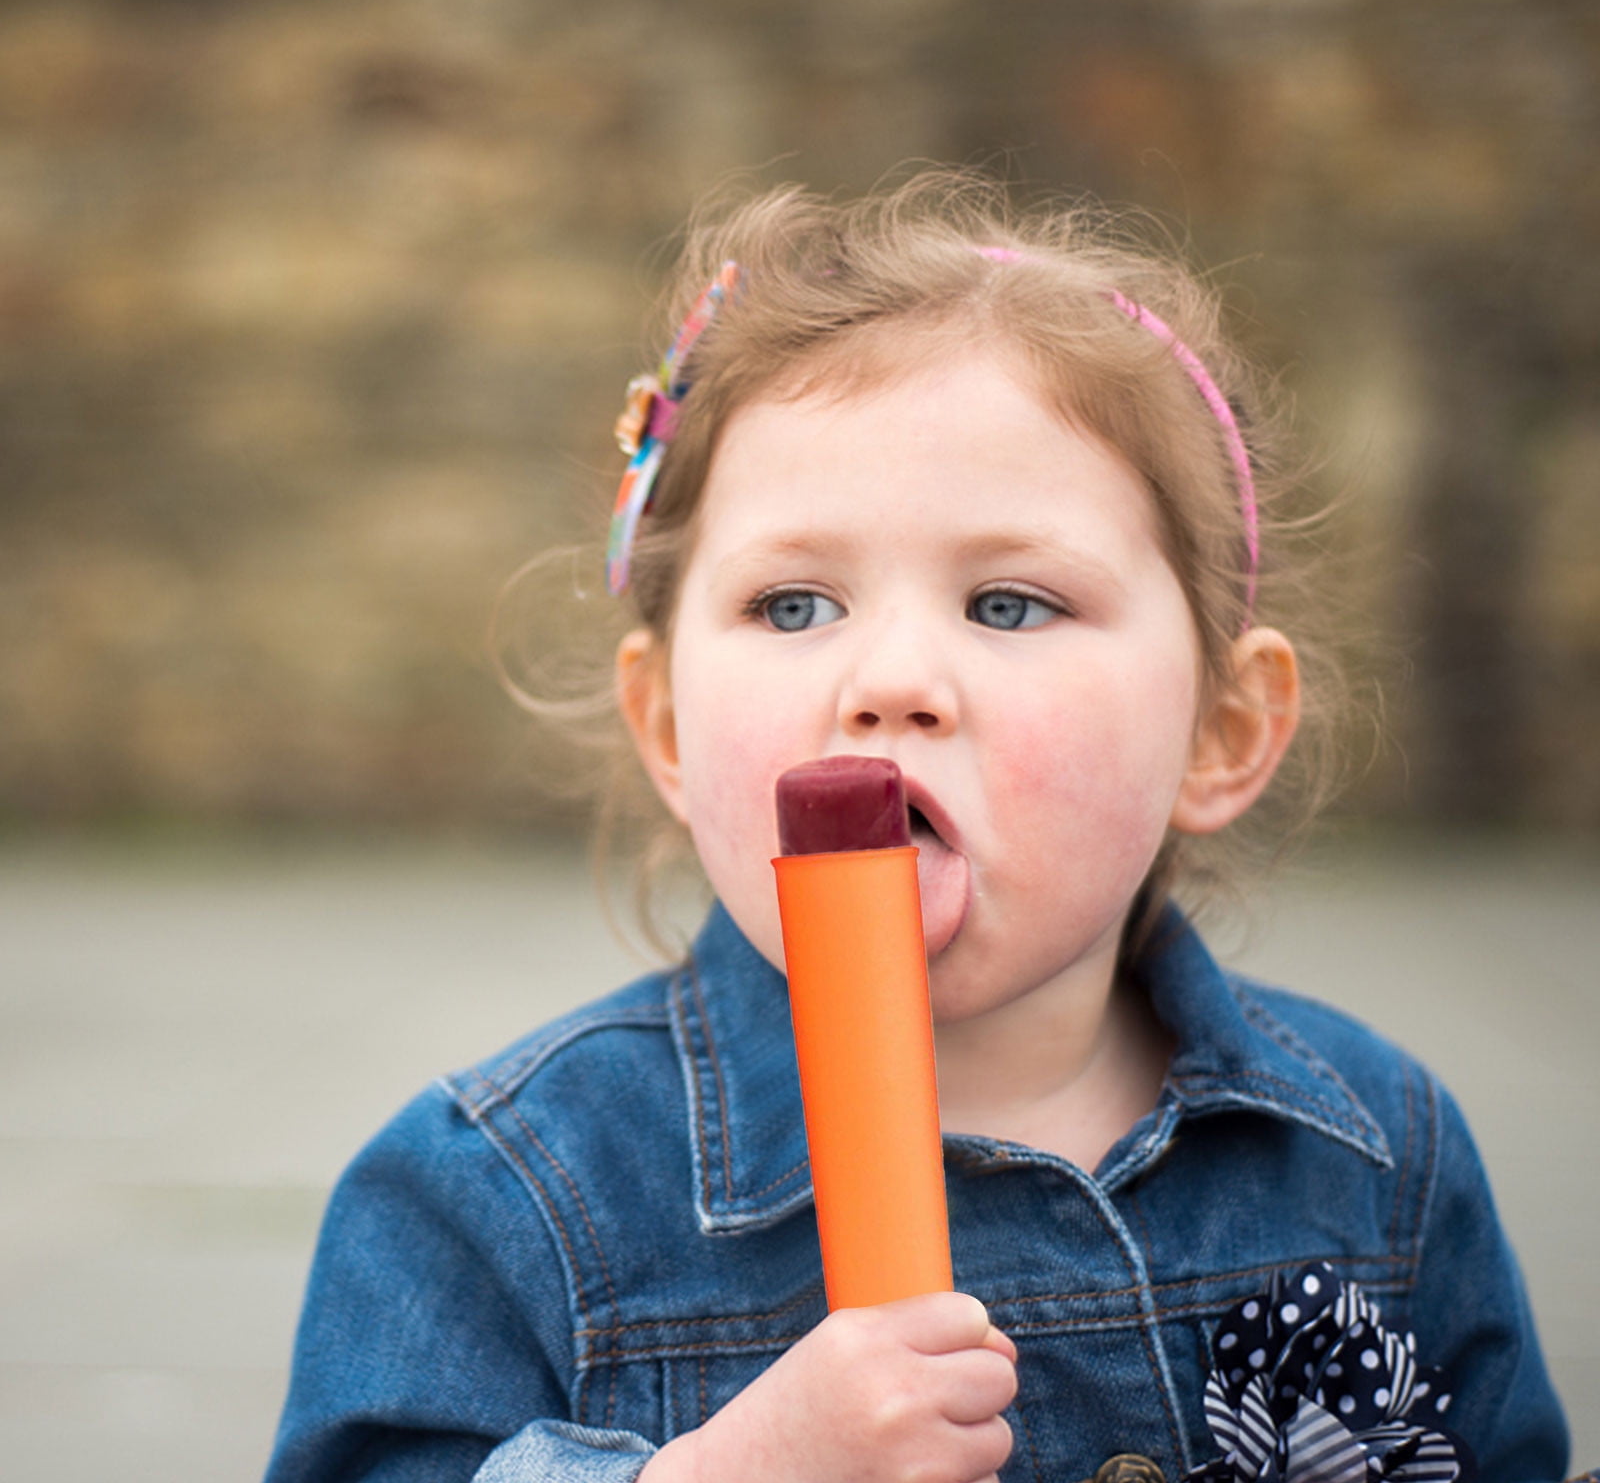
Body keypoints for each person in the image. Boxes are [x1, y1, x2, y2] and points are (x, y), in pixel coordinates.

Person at [265, 173, 1579, 1483]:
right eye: (792, 606)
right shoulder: (498, 1194)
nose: (888, 678)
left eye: (1008, 604)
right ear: (666, 725)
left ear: (1222, 733)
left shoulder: (1376, 1153)